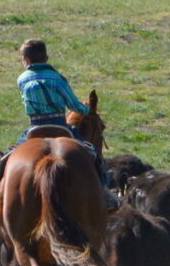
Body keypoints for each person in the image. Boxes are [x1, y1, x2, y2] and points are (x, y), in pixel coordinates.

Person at [13, 38, 115, 206]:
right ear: (46, 58)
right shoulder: (57, 78)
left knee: (10, 156)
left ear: (26, 59)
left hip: (35, 127)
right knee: (93, 156)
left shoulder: (22, 79)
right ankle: (105, 192)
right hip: (60, 125)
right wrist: (85, 109)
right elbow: (73, 105)